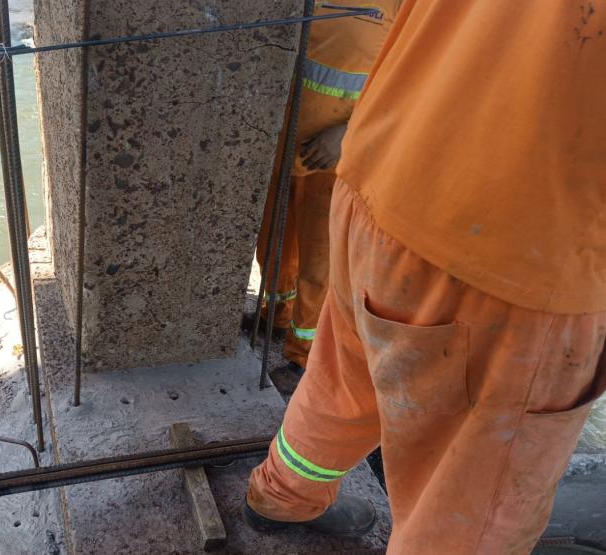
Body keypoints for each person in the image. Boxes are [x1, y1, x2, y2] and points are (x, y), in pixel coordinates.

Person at [245, 1, 606, 553]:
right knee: (474, 503)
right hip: (518, 256)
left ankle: (281, 497)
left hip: (380, 183)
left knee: (346, 381)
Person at [253, 0, 400, 372]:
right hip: (281, 142)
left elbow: (409, 87)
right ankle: (278, 314)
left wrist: (347, 134)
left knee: (321, 262)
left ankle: (304, 356)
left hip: (334, 158)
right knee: (273, 242)